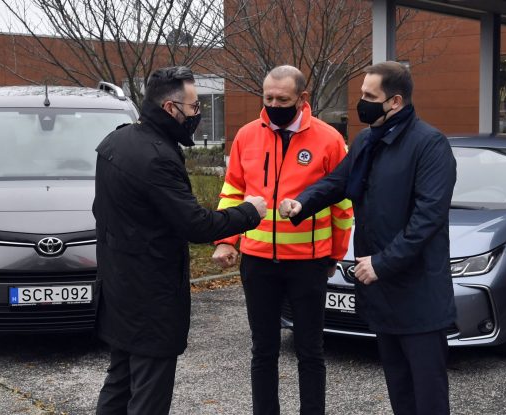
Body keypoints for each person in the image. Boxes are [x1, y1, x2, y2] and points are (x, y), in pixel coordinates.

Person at [279, 61, 456, 415]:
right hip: (382, 294)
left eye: (369, 97)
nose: (361, 103)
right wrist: (302, 203)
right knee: (400, 390)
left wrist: (381, 263)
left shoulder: (430, 145)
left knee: (428, 397)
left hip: (419, 296)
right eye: (362, 94)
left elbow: (427, 220)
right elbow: (337, 181)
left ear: (395, 102)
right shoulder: (367, 141)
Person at [93, 66, 267, 415]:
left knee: (120, 381)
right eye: (194, 107)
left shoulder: (115, 141)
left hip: (117, 287)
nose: (197, 114)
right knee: (149, 394)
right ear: (171, 108)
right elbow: (196, 225)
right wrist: (250, 212)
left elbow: (102, 210)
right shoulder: (157, 157)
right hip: (151, 297)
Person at [212, 65, 353, 415]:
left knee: (310, 351)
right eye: (269, 98)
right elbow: (232, 192)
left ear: (302, 98)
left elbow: (342, 203)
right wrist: (226, 240)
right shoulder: (247, 135)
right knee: (263, 350)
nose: (274, 105)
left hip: (308, 263)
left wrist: (334, 255)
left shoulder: (329, 139)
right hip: (258, 262)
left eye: (282, 99)